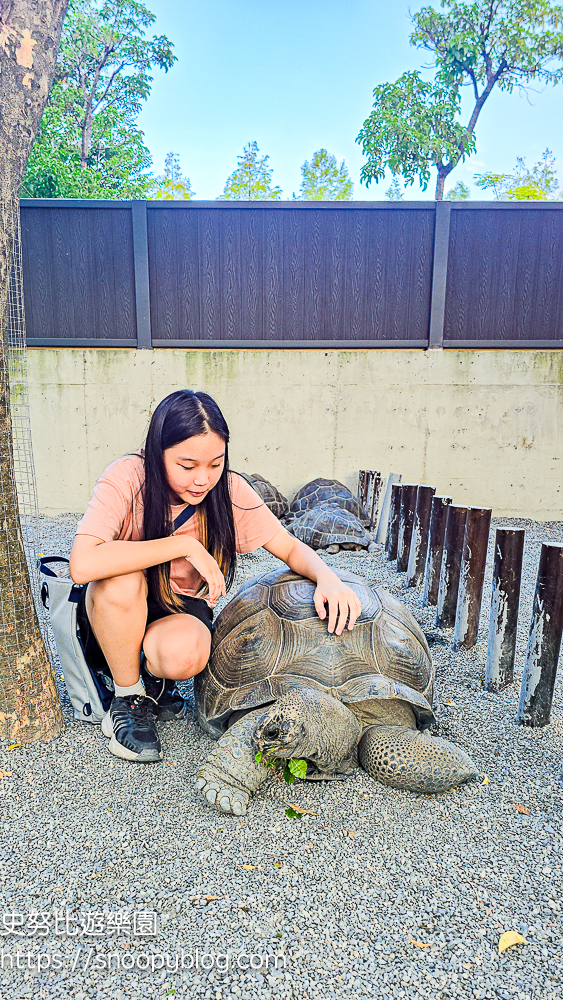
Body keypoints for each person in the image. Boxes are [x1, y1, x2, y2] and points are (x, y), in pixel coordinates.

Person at [69, 389, 362, 764]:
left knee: (186, 653)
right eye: (187, 465)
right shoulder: (127, 477)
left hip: (177, 607)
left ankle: (150, 677)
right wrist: (182, 547)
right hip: (115, 604)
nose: (202, 479)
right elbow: (83, 563)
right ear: (157, 454)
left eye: (215, 463)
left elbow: (288, 547)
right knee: (124, 580)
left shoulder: (230, 491)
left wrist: (328, 577)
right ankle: (127, 697)